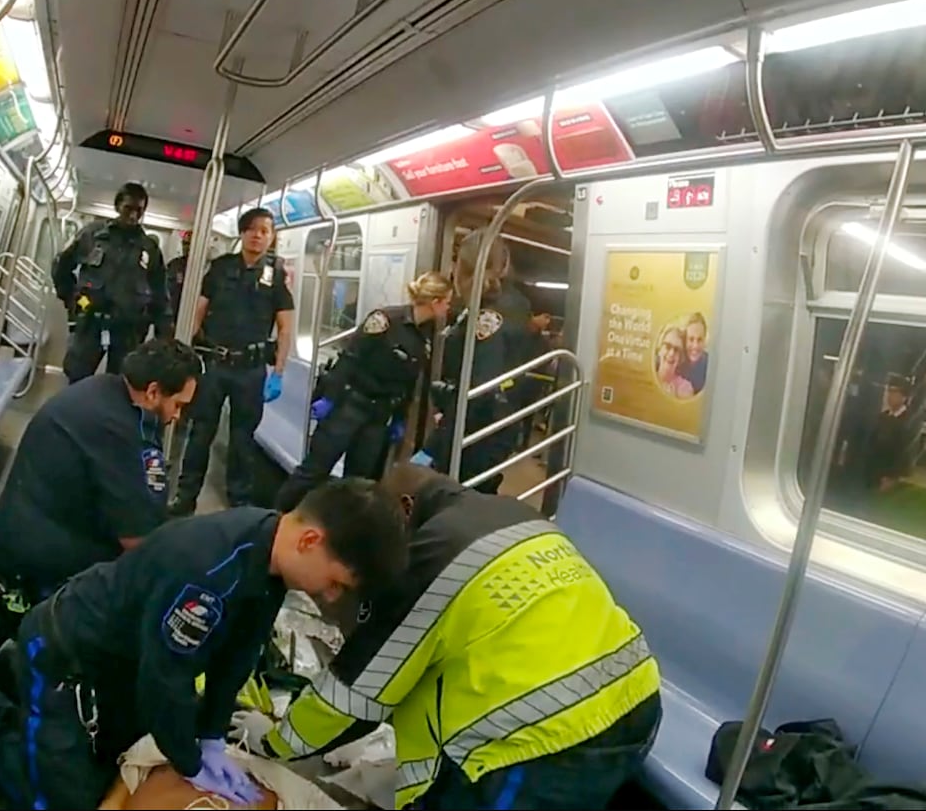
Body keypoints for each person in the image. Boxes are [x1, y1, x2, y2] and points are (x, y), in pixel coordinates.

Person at [0, 480, 411, 810]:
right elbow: (165, 677)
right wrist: (189, 760)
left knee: (117, 768)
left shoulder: (267, 559)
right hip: (66, 652)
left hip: (124, 658)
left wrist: (209, 737)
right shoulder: (208, 570)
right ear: (311, 540)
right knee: (63, 801)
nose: (330, 598)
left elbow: (237, 653)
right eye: (335, 583)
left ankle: (18, 693)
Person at [232, 462, 661, 809]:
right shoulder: (515, 513)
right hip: (635, 701)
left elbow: (356, 693)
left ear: (405, 507)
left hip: (547, 742)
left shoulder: (433, 552)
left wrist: (273, 741)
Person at [0, 340, 205, 656]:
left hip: (18, 530)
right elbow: (138, 538)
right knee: (134, 588)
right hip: (40, 554)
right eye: (179, 404)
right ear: (154, 392)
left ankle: (7, 603)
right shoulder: (123, 433)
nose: (177, 416)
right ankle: (11, 624)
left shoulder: (100, 390)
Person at [272, 271, 455, 513]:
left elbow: (409, 383)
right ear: (436, 301)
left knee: (358, 484)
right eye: (448, 302)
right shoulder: (386, 320)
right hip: (350, 406)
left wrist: (399, 419)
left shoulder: (426, 335)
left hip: (379, 418)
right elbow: (351, 357)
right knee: (314, 471)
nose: (449, 308)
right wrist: (329, 397)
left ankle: (337, 531)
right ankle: (277, 517)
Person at [172, 206, 294, 514]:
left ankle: (238, 502)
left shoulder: (277, 274)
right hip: (214, 363)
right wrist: (184, 352)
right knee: (201, 432)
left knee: (243, 439)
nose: (257, 236)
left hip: (251, 369)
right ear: (242, 234)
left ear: (272, 237)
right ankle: (185, 497)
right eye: (252, 229)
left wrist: (278, 371)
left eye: (264, 231)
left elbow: (285, 326)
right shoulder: (221, 267)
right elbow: (199, 310)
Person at [418, 231, 533, 493]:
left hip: (477, 429)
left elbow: (479, 391)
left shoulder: (488, 316)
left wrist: (434, 446)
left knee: (457, 496)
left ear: (464, 268)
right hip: (493, 424)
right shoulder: (510, 304)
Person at [53, 182, 173, 382]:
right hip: (90, 320)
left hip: (128, 329)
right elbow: (61, 265)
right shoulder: (92, 235)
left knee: (122, 385)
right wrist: (71, 299)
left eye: (139, 211)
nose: (133, 216)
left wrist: (163, 337)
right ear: (118, 206)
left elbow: (160, 293)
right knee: (77, 378)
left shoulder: (149, 249)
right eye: (128, 209)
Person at [165, 229, 194, 332]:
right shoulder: (174, 265)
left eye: (190, 244)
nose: (187, 247)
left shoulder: (203, 268)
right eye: (185, 243)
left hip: (192, 317)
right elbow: (166, 291)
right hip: (173, 314)